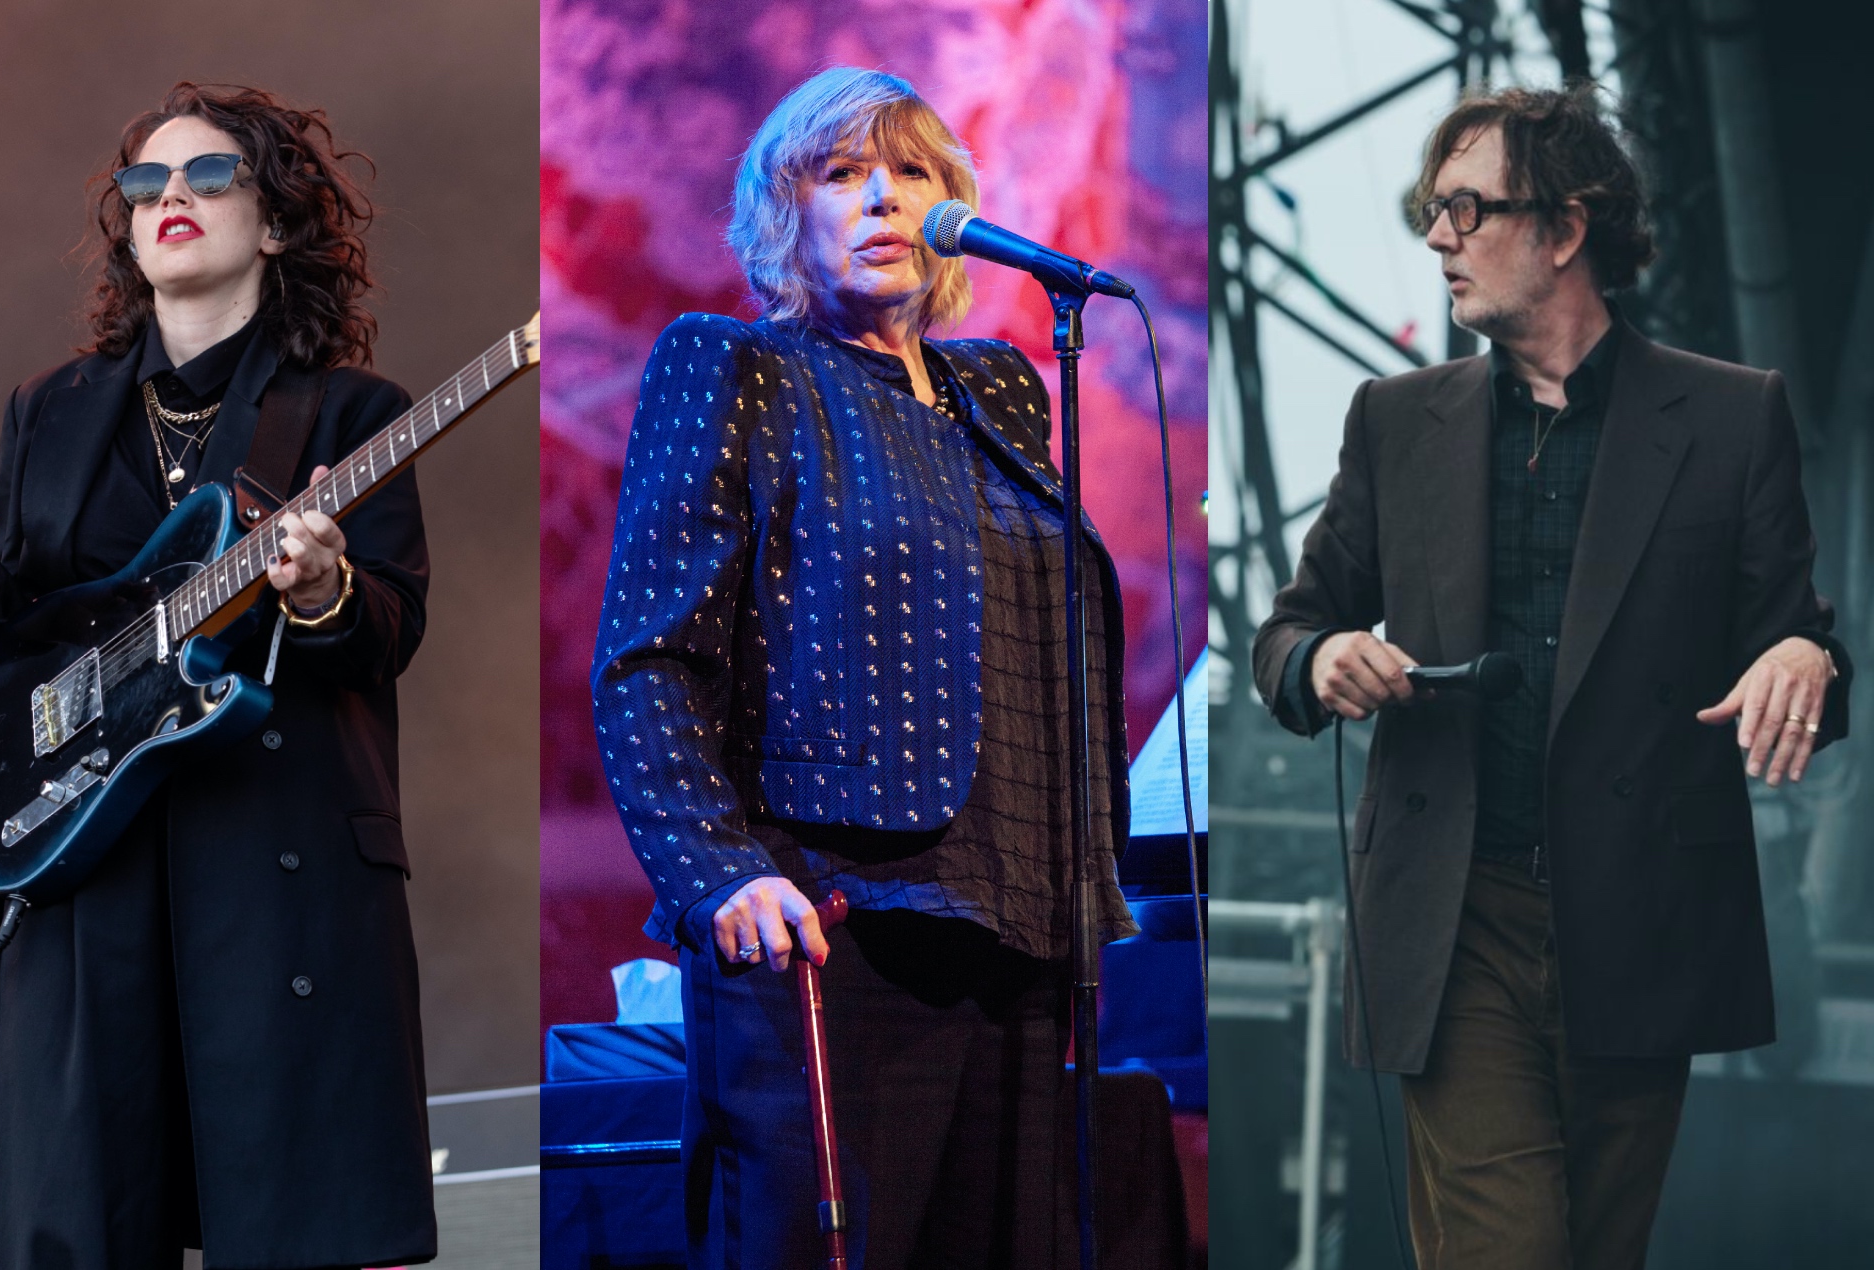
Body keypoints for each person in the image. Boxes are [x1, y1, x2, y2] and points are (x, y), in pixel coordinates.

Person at [1253, 84, 1853, 1270]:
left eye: (1466, 208)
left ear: (1565, 229)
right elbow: (1287, 632)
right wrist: (1320, 655)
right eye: (1433, 209)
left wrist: (1804, 657)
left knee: (1593, 1251)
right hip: (1453, 911)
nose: (1436, 236)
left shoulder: (1732, 420)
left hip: (1639, 918)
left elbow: (1807, 651)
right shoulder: (1393, 419)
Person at [590, 66, 1136, 1269]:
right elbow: (645, 656)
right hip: (832, 920)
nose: (883, 198)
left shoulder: (997, 388)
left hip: (1024, 919)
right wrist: (714, 873)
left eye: (913, 173)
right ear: (786, 212)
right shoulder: (736, 367)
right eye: (843, 174)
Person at [0, 82, 435, 1270]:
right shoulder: (46, 410)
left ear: (272, 224)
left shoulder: (354, 413)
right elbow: (17, 656)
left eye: (209, 177)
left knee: (291, 1225)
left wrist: (323, 593)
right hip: (85, 865)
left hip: (272, 858)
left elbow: (392, 625)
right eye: (146, 183)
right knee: (81, 1226)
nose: (170, 199)